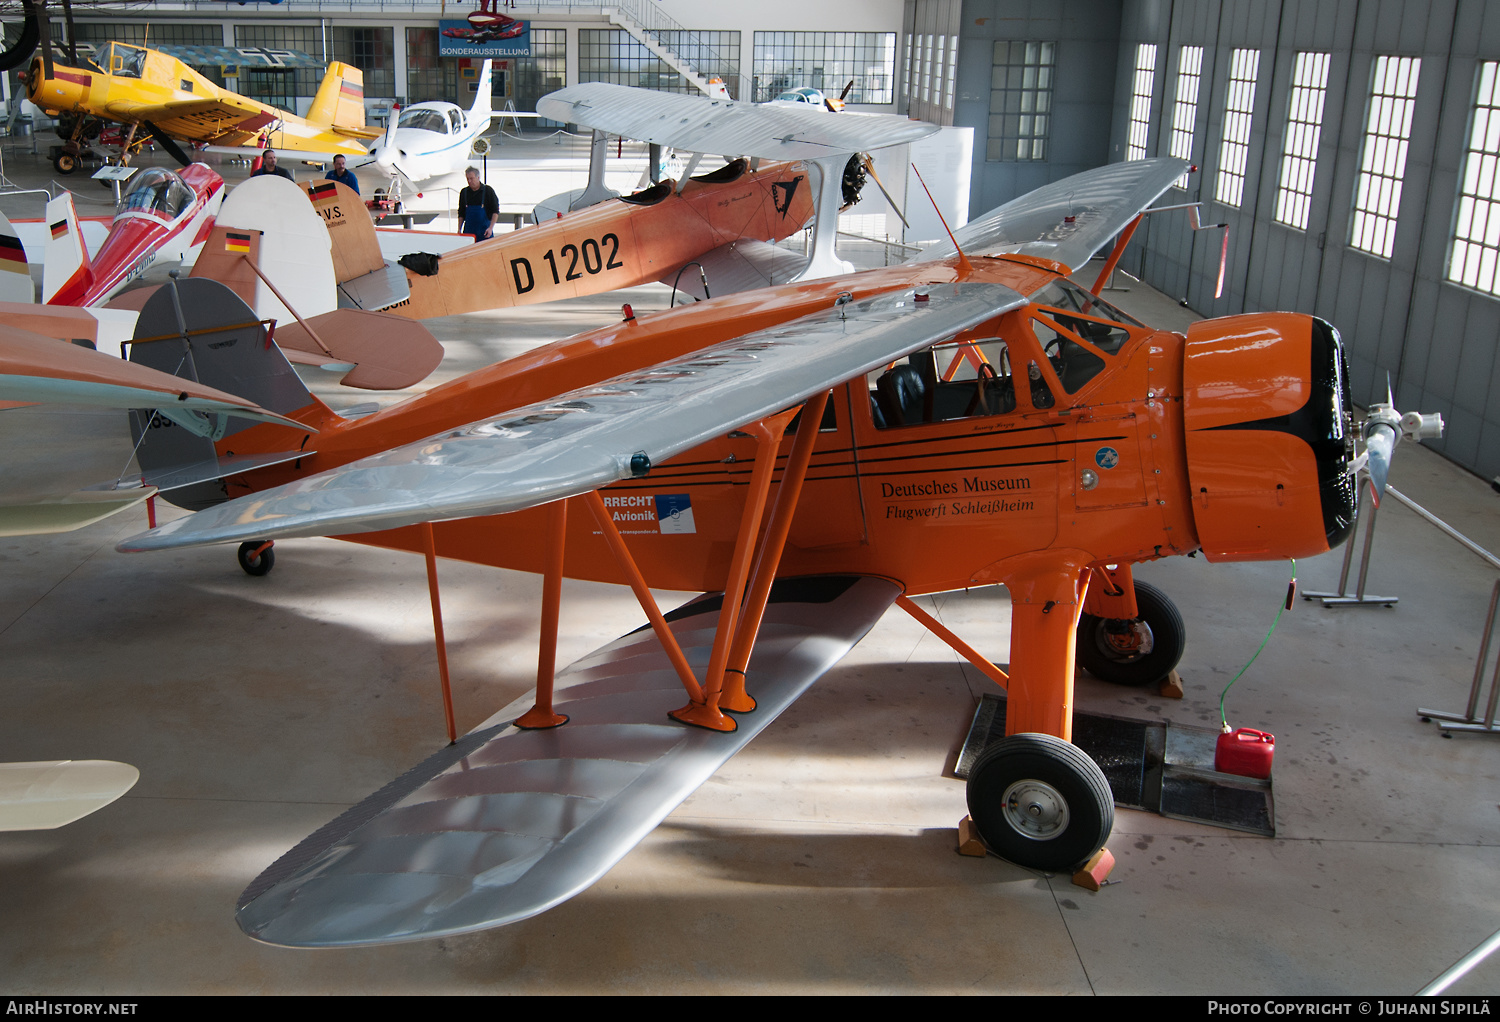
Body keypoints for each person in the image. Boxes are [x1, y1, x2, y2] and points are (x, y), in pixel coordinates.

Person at [458, 166, 499, 243]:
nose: (469, 181)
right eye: (468, 179)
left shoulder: (488, 191)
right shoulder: (464, 192)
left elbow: (495, 211)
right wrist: (459, 229)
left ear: (478, 177)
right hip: (468, 233)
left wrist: (490, 228)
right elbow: (461, 213)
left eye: (471, 178)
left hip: (485, 233)